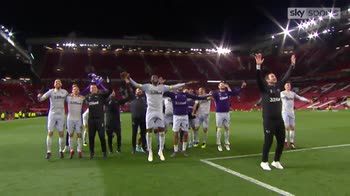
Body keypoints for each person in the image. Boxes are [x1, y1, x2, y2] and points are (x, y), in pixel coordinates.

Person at [123, 72, 193, 162]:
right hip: (150, 112)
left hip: (159, 112)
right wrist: (130, 78)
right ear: (151, 80)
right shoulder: (147, 86)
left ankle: (161, 151)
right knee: (149, 131)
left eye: (156, 77)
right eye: (153, 78)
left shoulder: (162, 87)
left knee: (162, 131)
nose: (155, 79)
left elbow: (174, 86)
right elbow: (136, 85)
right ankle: (150, 152)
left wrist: (184, 84)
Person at [255, 53, 296, 171]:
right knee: (268, 141)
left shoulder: (278, 86)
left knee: (281, 141)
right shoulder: (264, 88)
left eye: (274, 76)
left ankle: (276, 161)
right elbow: (258, 78)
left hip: (279, 119)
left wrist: (292, 65)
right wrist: (258, 66)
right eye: (272, 76)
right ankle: (264, 162)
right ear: (267, 80)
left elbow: (286, 76)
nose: (274, 77)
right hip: (268, 120)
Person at [164, 88, 209, 157]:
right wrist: (167, 87)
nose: (180, 88)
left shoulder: (185, 95)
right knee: (176, 133)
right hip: (176, 116)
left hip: (185, 116)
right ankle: (175, 150)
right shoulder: (173, 95)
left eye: (182, 87)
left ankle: (184, 150)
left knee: (185, 133)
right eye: (179, 87)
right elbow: (164, 92)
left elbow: (196, 97)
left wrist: (206, 96)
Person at [210, 81, 246, 152]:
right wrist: (209, 96)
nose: (222, 85)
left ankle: (226, 143)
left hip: (227, 113)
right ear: (218, 86)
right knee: (219, 128)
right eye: (221, 84)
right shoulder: (216, 93)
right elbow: (210, 96)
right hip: (219, 113)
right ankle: (219, 143)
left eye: (223, 84)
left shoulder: (227, 93)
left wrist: (242, 87)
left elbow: (236, 92)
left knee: (227, 128)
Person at [37, 79, 69, 159]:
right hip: (52, 115)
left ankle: (61, 150)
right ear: (54, 84)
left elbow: (70, 100)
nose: (57, 83)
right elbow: (41, 99)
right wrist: (39, 97)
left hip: (61, 115)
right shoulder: (50, 92)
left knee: (61, 133)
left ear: (61, 84)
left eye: (59, 82)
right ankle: (48, 151)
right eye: (56, 82)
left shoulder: (65, 92)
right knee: (50, 133)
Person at [85, 77, 112, 159]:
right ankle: (92, 152)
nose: (93, 89)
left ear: (97, 89)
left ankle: (104, 152)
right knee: (91, 137)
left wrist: (108, 82)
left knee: (102, 136)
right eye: (92, 88)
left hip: (99, 119)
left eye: (94, 88)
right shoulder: (87, 97)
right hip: (91, 120)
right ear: (90, 90)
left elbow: (109, 91)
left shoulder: (101, 96)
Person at [281, 81, 312, 149]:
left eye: (289, 85)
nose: (288, 86)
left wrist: (308, 100)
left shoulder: (293, 93)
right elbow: (282, 100)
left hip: (291, 112)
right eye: (287, 85)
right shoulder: (282, 93)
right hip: (285, 112)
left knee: (292, 127)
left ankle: (292, 142)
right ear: (284, 86)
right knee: (286, 127)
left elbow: (300, 98)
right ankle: (285, 142)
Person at [105, 87, 131, 154]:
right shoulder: (106, 101)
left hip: (116, 122)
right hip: (109, 121)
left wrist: (125, 92)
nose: (113, 93)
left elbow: (126, 99)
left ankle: (118, 148)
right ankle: (110, 149)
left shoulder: (117, 101)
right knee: (109, 137)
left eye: (113, 92)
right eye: (111, 92)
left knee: (119, 136)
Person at [66, 84, 85, 159]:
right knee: (70, 135)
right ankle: (71, 150)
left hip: (78, 119)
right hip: (70, 119)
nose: (76, 90)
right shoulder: (68, 98)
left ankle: (79, 150)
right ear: (72, 91)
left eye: (77, 89)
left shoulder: (82, 98)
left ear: (79, 91)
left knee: (79, 135)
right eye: (74, 89)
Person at [130, 88, 147, 154]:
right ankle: (133, 148)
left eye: (140, 90)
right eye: (138, 90)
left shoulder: (145, 97)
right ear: (135, 92)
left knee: (143, 134)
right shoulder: (133, 97)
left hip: (143, 118)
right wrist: (127, 82)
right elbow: (129, 89)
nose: (139, 91)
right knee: (134, 134)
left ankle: (144, 147)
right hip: (135, 118)